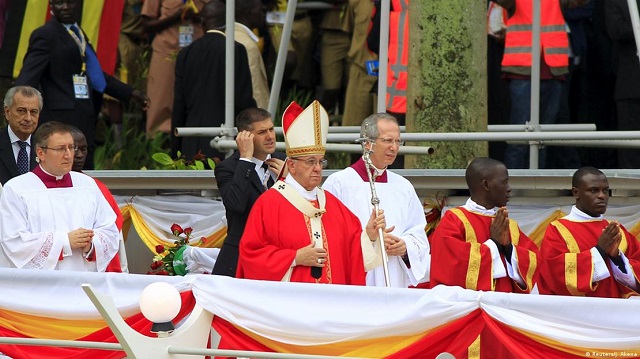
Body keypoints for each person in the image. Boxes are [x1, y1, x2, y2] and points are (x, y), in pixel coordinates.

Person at [237, 100, 385, 284]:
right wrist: (295, 257)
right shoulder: (269, 204)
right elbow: (251, 255)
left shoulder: (333, 205)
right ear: (291, 165)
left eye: (320, 162)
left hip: (331, 304)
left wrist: (369, 236)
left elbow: (352, 252)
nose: (317, 168)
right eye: (310, 162)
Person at [15, 0, 149, 169]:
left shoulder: (77, 32)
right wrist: (21, 110)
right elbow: (28, 77)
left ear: (78, 4)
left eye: (69, 2)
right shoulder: (45, 34)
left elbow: (94, 75)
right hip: (59, 121)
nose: (65, 7)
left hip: (84, 118)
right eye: (59, 3)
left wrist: (130, 93)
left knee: (83, 176)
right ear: (51, 6)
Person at [323, 113, 430, 288]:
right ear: (367, 143)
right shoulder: (339, 183)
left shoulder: (403, 186)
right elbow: (330, 235)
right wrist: (369, 239)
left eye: (398, 141)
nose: (394, 148)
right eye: (388, 141)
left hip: (394, 274)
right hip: (357, 278)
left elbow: (418, 232)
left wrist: (405, 247)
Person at [0, 122, 119, 271]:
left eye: (71, 147)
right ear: (41, 153)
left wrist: (91, 243)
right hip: (41, 286)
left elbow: (110, 231)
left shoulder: (87, 185)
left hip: (83, 279)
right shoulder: (17, 189)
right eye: (61, 149)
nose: (69, 155)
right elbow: (14, 241)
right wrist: (65, 241)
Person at [494, 0, 586, 169]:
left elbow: (579, 2)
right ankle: (510, 188)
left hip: (553, 69)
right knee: (519, 138)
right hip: (522, 68)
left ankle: (534, 188)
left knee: (541, 139)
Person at [429, 157, 538, 293]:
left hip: (504, 306)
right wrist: (494, 244)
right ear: (486, 185)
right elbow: (450, 267)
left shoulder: (508, 225)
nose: (509, 189)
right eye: (504, 182)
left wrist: (508, 248)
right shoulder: (454, 220)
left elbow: (534, 261)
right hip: (467, 307)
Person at [171, 0, 256, 161]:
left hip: (190, 140)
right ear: (229, 23)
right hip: (225, 142)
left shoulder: (186, 54)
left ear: (203, 22)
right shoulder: (236, 50)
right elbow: (243, 100)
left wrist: (176, 149)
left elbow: (179, 105)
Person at [539, 167, 640, 297]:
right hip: (581, 312)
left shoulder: (616, 230)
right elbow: (554, 275)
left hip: (616, 310)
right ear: (576, 193)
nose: (602, 196)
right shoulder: (558, 230)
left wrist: (617, 258)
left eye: (605, 191)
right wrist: (600, 251)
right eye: (593, 190)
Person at [212, 108, 286, 277]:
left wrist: (289, 180)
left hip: (280, 255)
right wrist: (245, 159)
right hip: (241, 257)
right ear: (246, 137)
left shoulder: (285, 162)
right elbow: (236, 205)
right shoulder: (228, 168)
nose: (270, 136)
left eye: (271, 129)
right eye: (262, 132)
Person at [142, 0, 206, 136]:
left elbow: (217, 16)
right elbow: (146, 25)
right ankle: (158, 144)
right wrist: (176, 16)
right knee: (160, 103)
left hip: (198, 53)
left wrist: (198, 16)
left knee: (196, 102)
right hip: (166, 51)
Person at [70, 126, 128, 273]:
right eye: (74, 149)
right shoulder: (32, 187)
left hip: (89, 259)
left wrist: (89, 242)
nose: (80, 155)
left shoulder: (95, 186)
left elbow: (113, 227)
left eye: (84, 149)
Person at [606, 0, 640, 169]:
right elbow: (616, 30)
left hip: (630, 84)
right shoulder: (617, 2)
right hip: (631, 83)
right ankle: (631, 189)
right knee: (630, 142)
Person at [0, 86, 40, 185]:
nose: (28, 118)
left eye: (34, 112)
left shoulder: (45, 147)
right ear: (7, 112)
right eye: (21, 111)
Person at [234, 0, 270, 109]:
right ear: (249, 13)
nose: (263, 14)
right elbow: (255, 90)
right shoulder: (248, 45)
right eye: (260, 10)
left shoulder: (232, 35)